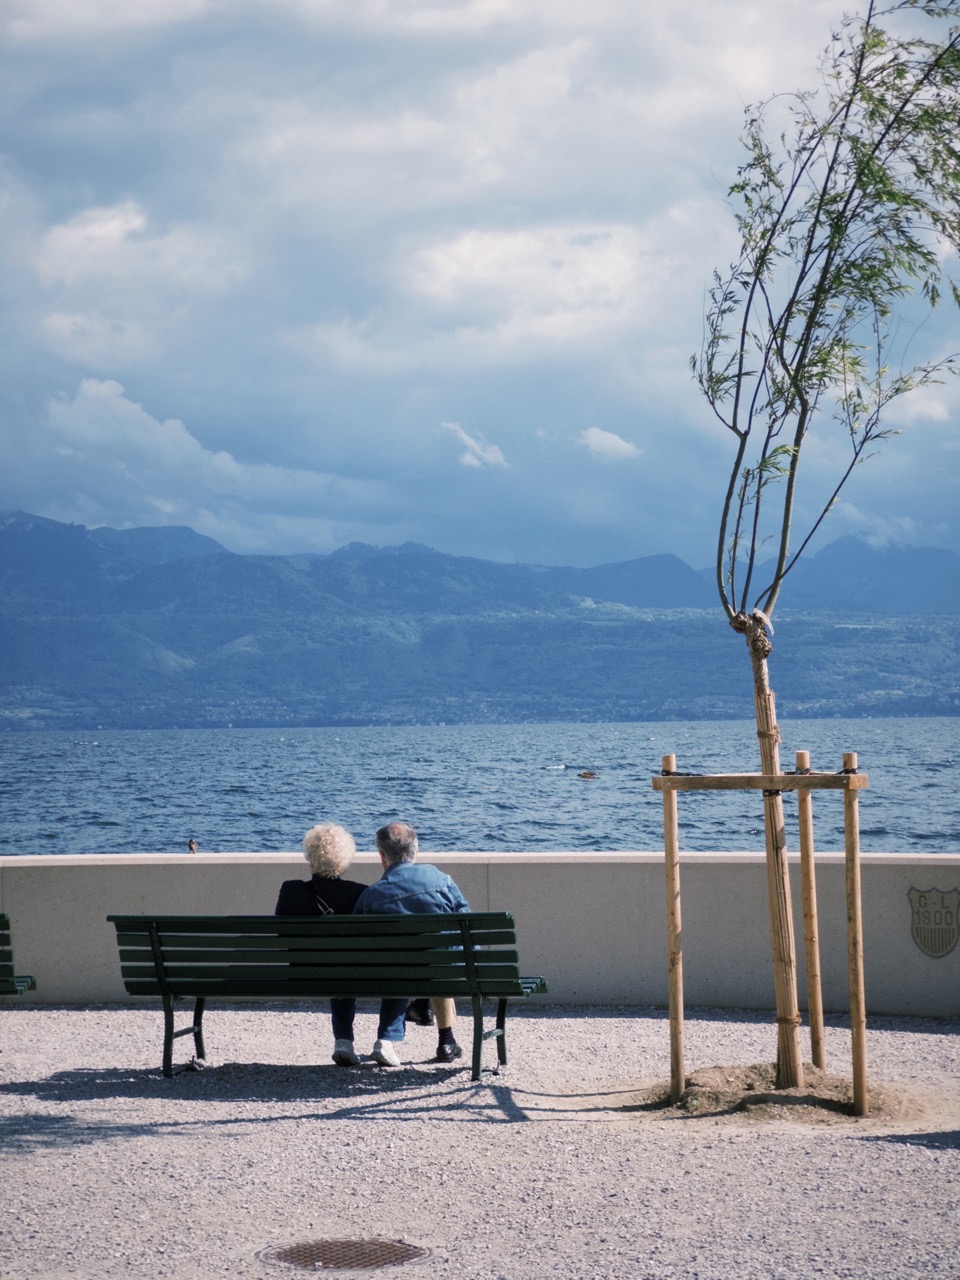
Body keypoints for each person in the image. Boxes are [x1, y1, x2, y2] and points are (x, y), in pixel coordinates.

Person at [353, 820, 469, 1066]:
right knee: (439, 955)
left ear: (381, 856)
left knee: (402, 961)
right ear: (415, 850)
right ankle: (446, 1040)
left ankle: (412, 1015)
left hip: (395, 972)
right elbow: (465, 922)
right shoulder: (441, 879)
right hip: (444, 969)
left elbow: (358, 943)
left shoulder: (371, 896)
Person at [274, 822, 367, 1068]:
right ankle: (345, 1041)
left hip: (301, 974)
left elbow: (281, 935)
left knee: (336, 966)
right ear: (344, 860)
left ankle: (344, 1040)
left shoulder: (290, 890)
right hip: (348, 975)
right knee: (343, 967)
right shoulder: (360, 893)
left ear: (310, 857)